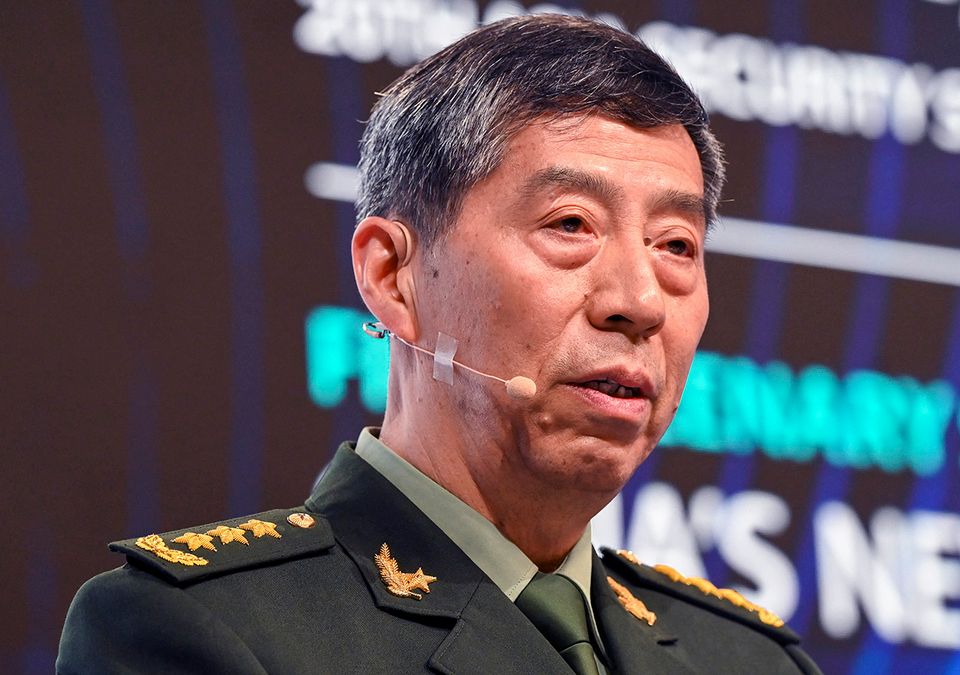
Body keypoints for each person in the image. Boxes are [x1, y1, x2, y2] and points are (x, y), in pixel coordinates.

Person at [58, 14, 821, 674]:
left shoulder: (750, 658)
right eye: (569, 226)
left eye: (677, 244)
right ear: (393, 276)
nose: (641, 301)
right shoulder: (205, 629)